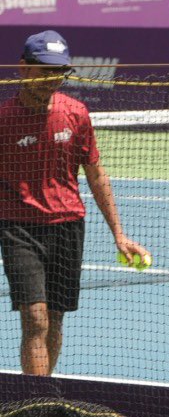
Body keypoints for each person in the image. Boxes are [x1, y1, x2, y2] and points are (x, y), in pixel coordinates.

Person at [0, 31, 149, 376]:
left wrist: (119, 235)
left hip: (68, 227)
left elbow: (96, 175)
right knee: (35, 318)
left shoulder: (76, 113)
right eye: (45, 71)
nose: (52, 79)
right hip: (18, 228)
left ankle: (45, 394)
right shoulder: (4, 119)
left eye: (60, 71)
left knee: (54, 317)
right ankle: (34, 403)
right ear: (24, 69)